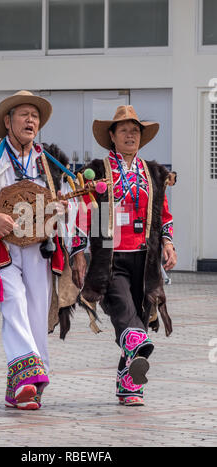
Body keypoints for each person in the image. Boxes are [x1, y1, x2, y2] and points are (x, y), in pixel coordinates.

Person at [0, 90, 75, 410]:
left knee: (37, 314)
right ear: (7, 122)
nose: (30, 120)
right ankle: (29, 376)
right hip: (1, 250)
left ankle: (23, 388)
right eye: (23, 114)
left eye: (35, 116)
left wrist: (61, 210)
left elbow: (67, 205)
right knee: (14, 304)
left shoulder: (51, 161)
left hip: (41, 248)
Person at [71, 105, 177, 406]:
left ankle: (129, 385)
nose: (131, 135)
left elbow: (163, 215)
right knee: (123, 312)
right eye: (124, 130)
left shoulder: (154, 172)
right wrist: (79, 253)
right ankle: (134, 363)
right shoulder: (98, 171)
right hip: (110, 255)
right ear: (112, 136)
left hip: (145, 258)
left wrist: (168, 244)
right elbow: (82, 214)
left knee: (139, 319)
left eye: (135, 131)